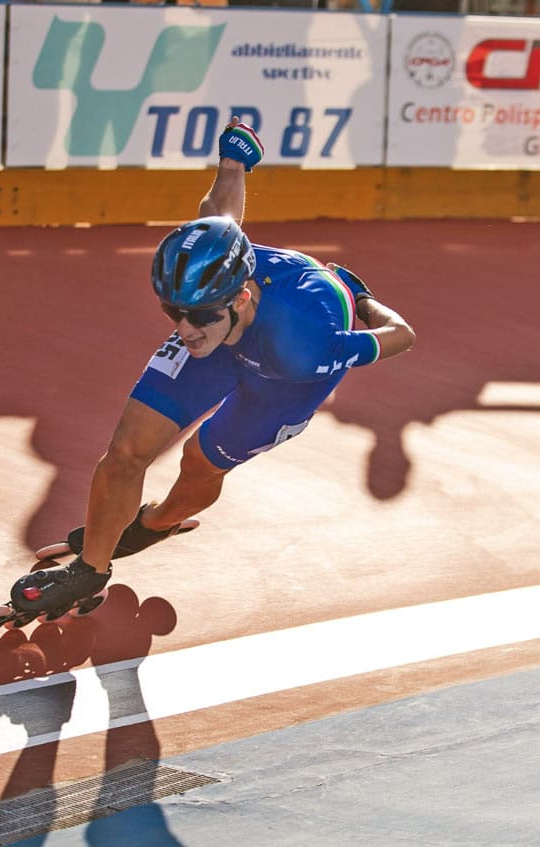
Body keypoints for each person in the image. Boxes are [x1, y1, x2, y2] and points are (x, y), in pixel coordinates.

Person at [34, 118, 416, 604]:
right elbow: (218, 212)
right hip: (235, 337)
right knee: (128, 452)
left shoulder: (308, 347)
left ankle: (156, 524)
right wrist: (233, 162)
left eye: (196, 316)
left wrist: (363, 300)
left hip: (283, 381)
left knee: (200, 462)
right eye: (173, 312)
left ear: (237, 299)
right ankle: (91, 571)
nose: (182, 329)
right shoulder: (210, 289)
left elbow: (401, 335)